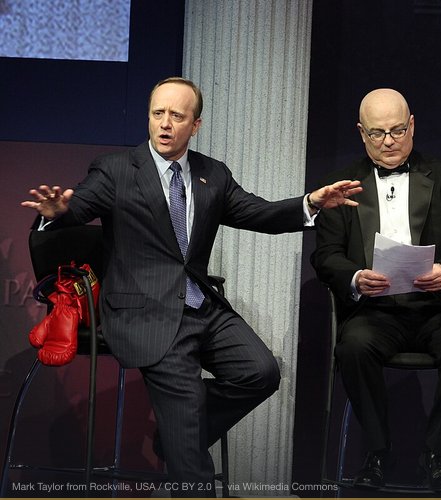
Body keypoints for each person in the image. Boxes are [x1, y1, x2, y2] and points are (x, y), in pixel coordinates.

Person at [20, 76, 362, 496]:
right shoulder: (115, 170)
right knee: (193, 468)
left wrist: (310, 203)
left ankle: (177, 433)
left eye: (176, 116)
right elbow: (80, 207)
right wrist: (59, 211)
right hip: (145, 311)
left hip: (202, 305)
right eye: (157, 114)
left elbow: (258, 213)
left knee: (261, 372)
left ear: (195, 125)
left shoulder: (211, 174)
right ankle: (182, 439)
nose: (165, 124)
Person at [311, 88, 441, 492]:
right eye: (377, 133)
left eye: (396, 130)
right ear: (361, 133)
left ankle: (434, 452)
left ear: (412, 126)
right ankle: (378, 450)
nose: (388, 141)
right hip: (375, 312)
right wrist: (355, 278)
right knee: (353, 347)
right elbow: (326, 257)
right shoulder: (340, 187)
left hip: (438, 309)